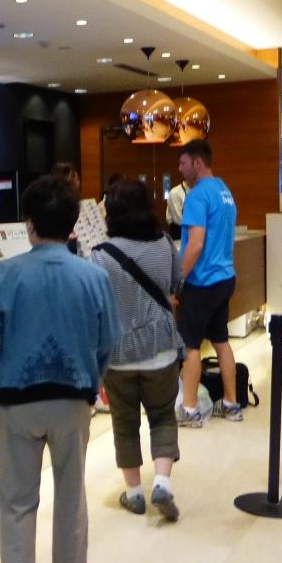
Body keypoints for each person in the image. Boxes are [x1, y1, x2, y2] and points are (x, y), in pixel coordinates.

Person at [0, 175, 120, 563]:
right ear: (71, 224)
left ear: (29, 224)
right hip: (73, 399)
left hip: (17, 403)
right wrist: (93, 380)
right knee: (71, 493)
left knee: (17, 502)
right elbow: (109, 342)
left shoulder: (6, 274)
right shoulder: (94, 277)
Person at [89, 178, 184, 521]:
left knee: (124, 423)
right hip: (161, 349)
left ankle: (134, 494)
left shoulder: (100, 254)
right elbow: (177, 284)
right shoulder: (164, 244)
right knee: (162, 416)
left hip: (118, 355)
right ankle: (162, 482)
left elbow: (95, 304)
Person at [173, 139, 242, 427]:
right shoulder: (224, 191)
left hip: (201, 283)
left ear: (197, 163)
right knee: (221, 341)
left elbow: (195, 244)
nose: (180, 169)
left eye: (183, 163)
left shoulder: (198, 195)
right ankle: (231, 404)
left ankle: (189, 409)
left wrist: (177, 280)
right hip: (224, 278)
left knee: (190, 345)